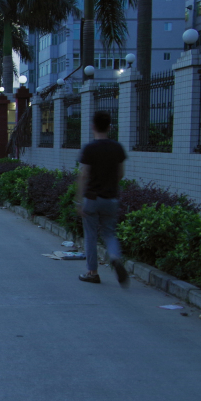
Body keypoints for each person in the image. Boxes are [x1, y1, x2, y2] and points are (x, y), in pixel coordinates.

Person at [76, 110, 129, 287]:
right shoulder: (117, 148)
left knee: (90, 235)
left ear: (93, 127)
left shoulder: (90, 149)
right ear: (109, 127)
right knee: (109, 233)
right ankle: (114, 257)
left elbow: (84, 175)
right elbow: (121, 173)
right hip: (111, 198)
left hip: (92, 198)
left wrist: (79, 201)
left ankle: (92, 272)